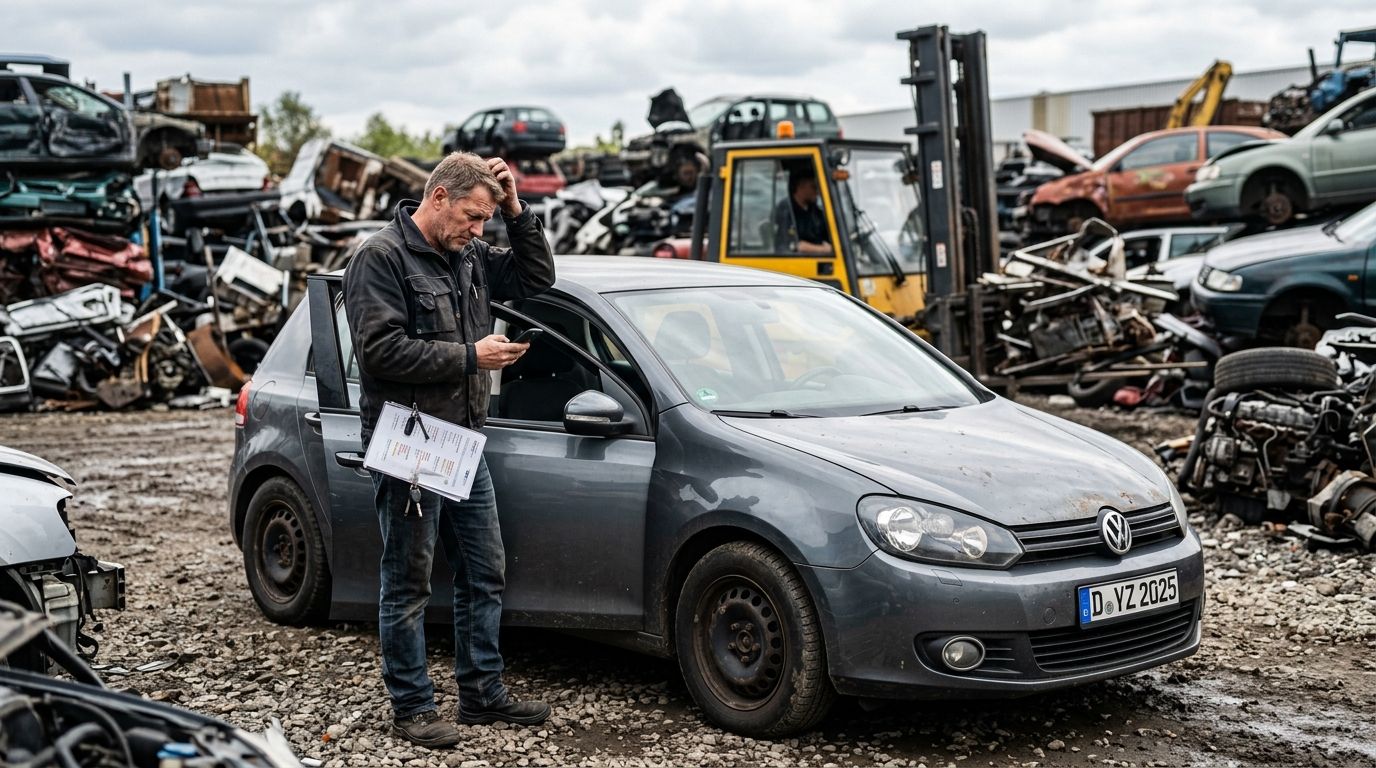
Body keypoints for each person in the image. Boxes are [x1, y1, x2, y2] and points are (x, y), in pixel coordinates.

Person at [342, 152, 555, 749]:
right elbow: (380, 351)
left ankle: (481, 695)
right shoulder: (379, 257)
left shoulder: (470, 256)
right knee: (407, 581)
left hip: (463, 442)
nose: (478, 230)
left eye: (487, 219)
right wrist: (472, 357)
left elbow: (539, 279)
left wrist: (515, 208)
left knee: (485, 570)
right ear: (438, 198)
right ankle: (411, 708)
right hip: (408, 443)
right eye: (472, 215)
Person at [773, 172, 833, 254]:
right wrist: (823, 249)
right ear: (801, 186)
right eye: (814, 187)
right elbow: (794, 246)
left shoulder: (815, 211)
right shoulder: (786, 210)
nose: (817, 192)